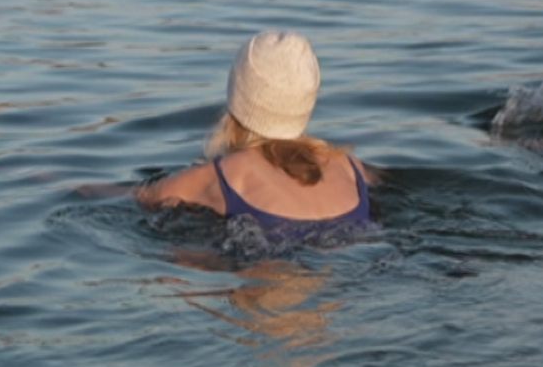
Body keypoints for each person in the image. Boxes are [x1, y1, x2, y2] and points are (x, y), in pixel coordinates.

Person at [138, 30, 374, 234]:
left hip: (265, 266)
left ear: (238, 100)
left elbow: (138, 197)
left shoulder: (223, 176)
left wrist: (99, 188)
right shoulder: (350, 167)